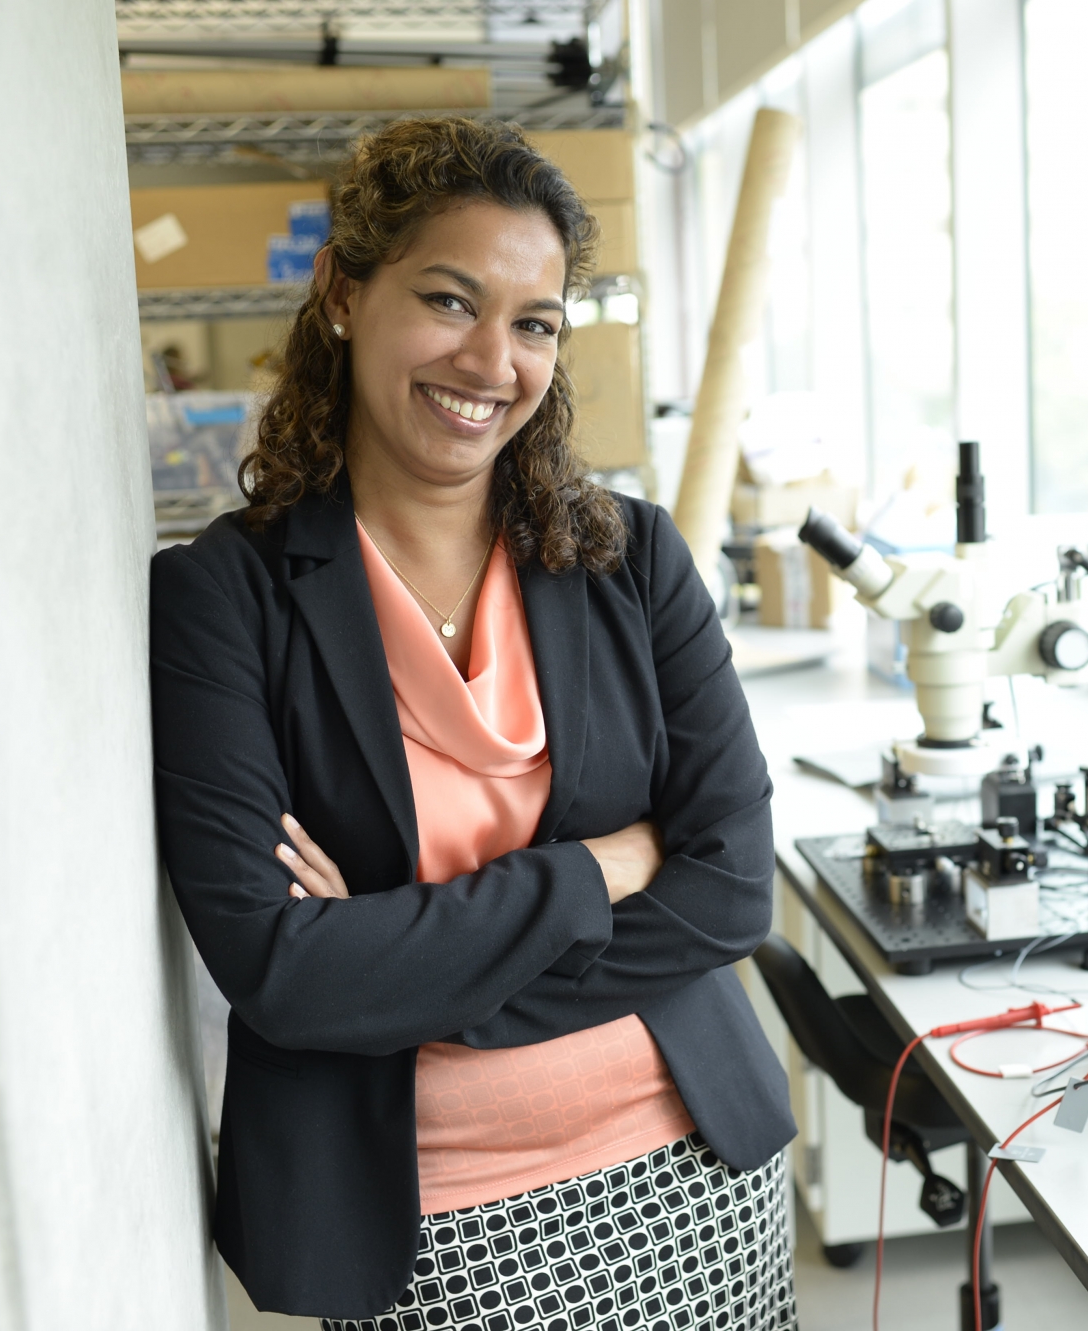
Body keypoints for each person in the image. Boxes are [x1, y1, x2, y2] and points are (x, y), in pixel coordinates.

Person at [149, 117, 796, 1330]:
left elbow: (729, 890)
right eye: (449, 300)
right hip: (424, 1221)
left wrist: (402, 960)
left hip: (698, 1169)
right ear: (344, 292)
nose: (491, 359)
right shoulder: (220, 599)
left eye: (534, 322)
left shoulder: (630, 557)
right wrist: (599, 868)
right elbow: (282, 971)